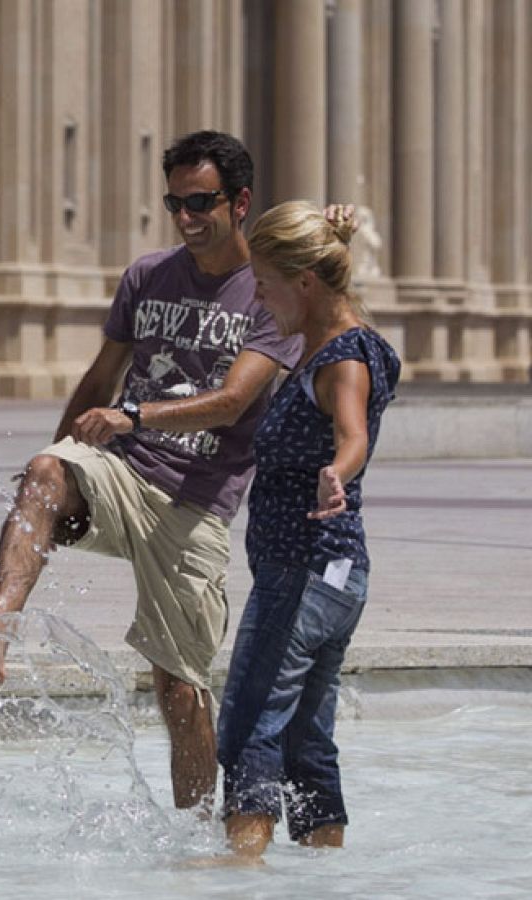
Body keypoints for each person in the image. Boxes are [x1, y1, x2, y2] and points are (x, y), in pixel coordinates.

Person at [0, 131, 302, 810]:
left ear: (240, 203)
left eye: (201, 202)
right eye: (175, 202)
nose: (186, 217)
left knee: (178, 687)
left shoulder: (268, 295)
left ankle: (197, 832)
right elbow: (99, 379)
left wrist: (134, 416)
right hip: (123, 474)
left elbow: (234, 402)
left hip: (195, 504)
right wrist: (51, 473)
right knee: (46, 471)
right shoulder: (147, 276)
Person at [214, 202, 400, 861]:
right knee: (303, 739)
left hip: (304, 571)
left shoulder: (341, 362)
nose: (258, 298)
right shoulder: (353, 343)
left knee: (249, 726)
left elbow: (349, 435)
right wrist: (331, 230)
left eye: (264, 283)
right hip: (338, 578)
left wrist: (337, 474)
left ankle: (239, 868)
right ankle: (323, 868)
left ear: (306, 283)